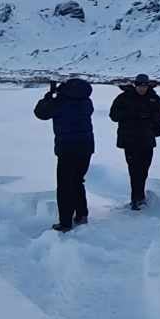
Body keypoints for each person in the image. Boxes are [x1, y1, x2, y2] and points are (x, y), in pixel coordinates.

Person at [34, 77, 95, 231]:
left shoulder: (61, 102)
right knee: (77, 181)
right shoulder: (86, 102)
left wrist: (48, 97)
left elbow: (41, 113)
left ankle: (65, 222)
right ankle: (81, 214)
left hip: (67, 148)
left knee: (65, 186)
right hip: (86, 147)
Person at [107, 73, 160, 210]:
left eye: (144, 85)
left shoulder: (154, 98)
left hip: (147, 139)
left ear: (148, 85)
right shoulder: (124, 98)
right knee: (134, 170)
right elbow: (113, 115)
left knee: (144, 170)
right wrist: (131, 115)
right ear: (135, 85)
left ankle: (140, 196)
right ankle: (136, 199)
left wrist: (150, 117)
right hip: (130, 140)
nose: (142, 88)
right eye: (139, 85)